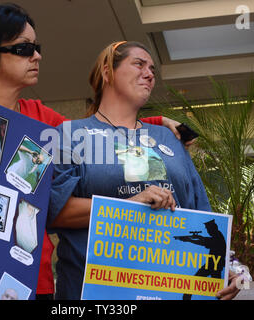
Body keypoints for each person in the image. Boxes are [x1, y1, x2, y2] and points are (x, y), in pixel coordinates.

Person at [0, 4, 188, 300]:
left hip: (30, 275)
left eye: (37, 47)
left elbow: (98, 130)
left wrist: (155, 123)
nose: (37, 56)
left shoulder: (43, 118)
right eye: (24, 48)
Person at [47, 41, 241, 300]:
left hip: (171, 290)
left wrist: (229, 267)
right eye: (138, 64)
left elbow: (201, 213)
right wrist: (128, 206)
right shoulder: (70, 134)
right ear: (108, 72)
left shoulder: (170, 138)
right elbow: (53, 211)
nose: (149, 74)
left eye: (152, 69)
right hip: (95, 293)